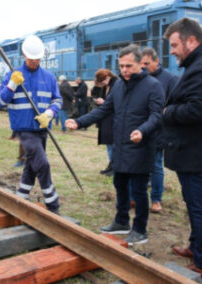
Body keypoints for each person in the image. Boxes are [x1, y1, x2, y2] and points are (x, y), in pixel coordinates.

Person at [66, 44, 164, 245]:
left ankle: (140, 229)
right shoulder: (119, 86)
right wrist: (79, 121)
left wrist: (142, 131)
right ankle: (121, 221)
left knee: (138, 190)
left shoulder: (153, 86)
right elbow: (104, 111)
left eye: (129, 66)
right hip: (120, 146)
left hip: (140, 147)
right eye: (121, 66)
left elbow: (156, 116)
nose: (125, 70)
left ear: (140, 64)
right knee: (119, 184)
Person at [0, 35, 62, 214]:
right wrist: (11, 85)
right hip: (23, 130)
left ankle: (21, 196)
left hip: (42, 129)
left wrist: (49, 113)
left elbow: (57, 100)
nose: (34, 61)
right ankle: (53, 203)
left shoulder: (49, 77)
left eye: (38, 58)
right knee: (43, 164)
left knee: (32, 165)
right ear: (24, 55)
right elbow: (0, 102)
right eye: (31, 58)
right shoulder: (12, 75)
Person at [162, 18, 202, 275]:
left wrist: (168, 112)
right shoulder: (194, 66)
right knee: (193, 203)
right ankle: (195, 245)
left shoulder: (198, 69)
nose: (172, 51)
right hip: (191, 152)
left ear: (191, 40)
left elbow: (197, 108)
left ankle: (200, 261)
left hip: (195, 154)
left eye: (175, 45)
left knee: (198, 206)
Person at [128, 47, 178, 213]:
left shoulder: (170, 79)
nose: (143, 67)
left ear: (157, 61)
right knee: (133, 163)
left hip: (157, 130)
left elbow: (175, 104)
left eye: (147, 64)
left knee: (155, 165)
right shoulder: (136, 79)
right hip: (136, 129)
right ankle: (133, 197)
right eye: (140, 64)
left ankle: (156, 199)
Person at [93, 69, 118, 176]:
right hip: (106, 119)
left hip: (113, 119)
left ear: (108, 76)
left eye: (103, 80)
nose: (102, 83)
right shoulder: (105, 87)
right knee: (109, 144)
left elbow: (117, 102)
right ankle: (111, 165)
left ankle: (115, 167)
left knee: (113, 144)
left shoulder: (117, 85)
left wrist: (104, 102)